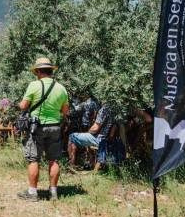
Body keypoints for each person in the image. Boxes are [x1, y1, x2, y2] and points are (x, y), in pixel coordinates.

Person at [17, 57, 69, 201]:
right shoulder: (61, 88)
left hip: (36, 127)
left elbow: (23, 106)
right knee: (54, 160)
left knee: (34, 159)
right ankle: (53, 193)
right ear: (51, 71)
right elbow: (65, 111)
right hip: (55, 127)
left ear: (38, 71)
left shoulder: (34, 85)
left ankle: (33, 193)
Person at [68, 104, 115, 169]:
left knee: (72, 136)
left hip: (99, 138)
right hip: (106, 138)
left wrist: (88, 132)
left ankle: (71, 165)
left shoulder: (104, 109)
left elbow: (95, 128)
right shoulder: (114, 109)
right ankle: (91, 162)